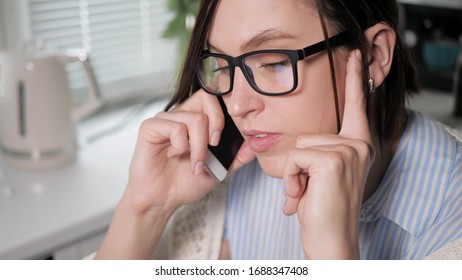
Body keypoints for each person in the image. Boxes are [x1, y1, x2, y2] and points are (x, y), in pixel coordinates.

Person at [94, 0, 462, 259]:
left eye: (272, 61)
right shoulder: (238, 175)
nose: (238, 105)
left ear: (374, 56)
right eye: (222, 64)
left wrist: (333, 257)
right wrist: (146, 208)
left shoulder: (449, 218)